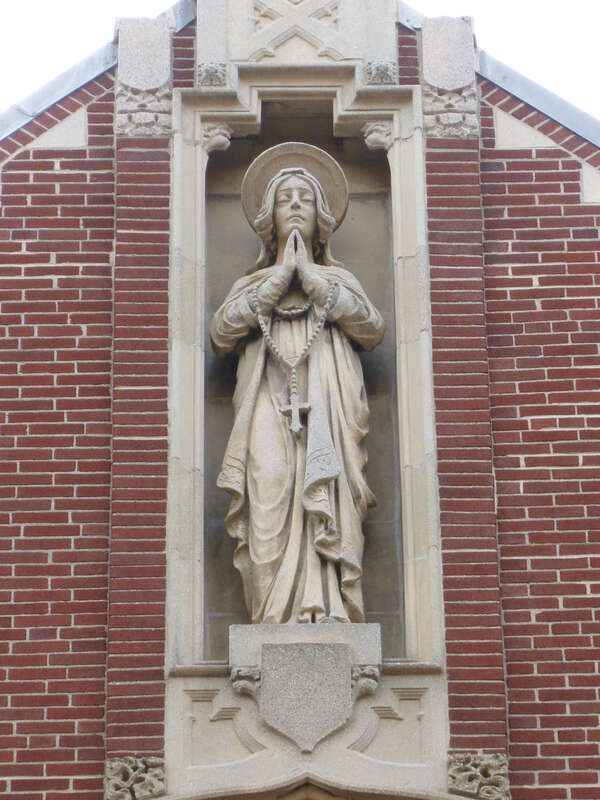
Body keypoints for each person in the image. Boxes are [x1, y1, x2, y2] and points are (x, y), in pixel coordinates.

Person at [210, 147, 384, 625]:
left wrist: (310, 280)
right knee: (268, 489)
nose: (294, 204)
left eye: (305, 198)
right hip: (267, 398)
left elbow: (371, 328)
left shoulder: (337, 279)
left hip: (327, 402)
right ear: (268, 216)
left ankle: (327, 604)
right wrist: (274, 285)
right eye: (284, 197)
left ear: (320, 216)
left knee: (324, 489)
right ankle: (271, 616)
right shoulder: (252, 283)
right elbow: (221, 332)